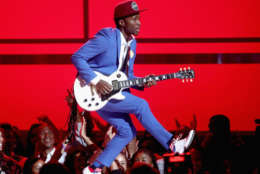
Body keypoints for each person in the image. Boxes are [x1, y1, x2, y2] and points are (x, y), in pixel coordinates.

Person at [71, 1, 196, 173]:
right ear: (122, 22)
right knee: (141, 105)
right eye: (134, 19)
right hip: (94, 92)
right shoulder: (107, 37)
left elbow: (126, 77)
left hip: (109, 95)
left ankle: (94, 169)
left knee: (126, 132)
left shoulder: (132, 44)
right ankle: (171, 143)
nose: (139, 23)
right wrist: (96, 81)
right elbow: (77, 57)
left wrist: (142, 82)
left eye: (139, 19)